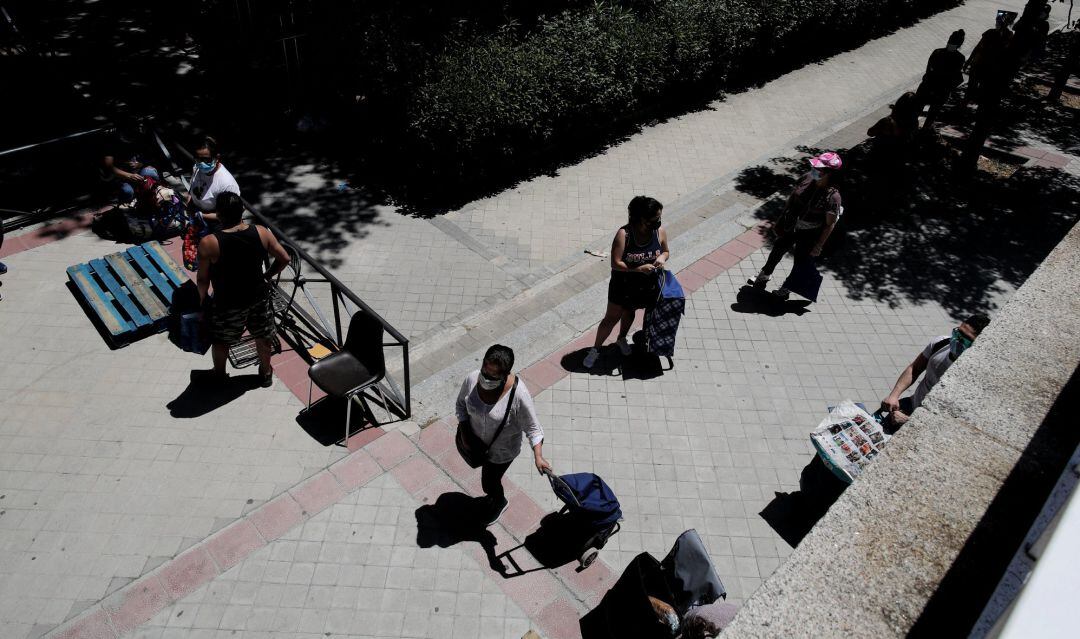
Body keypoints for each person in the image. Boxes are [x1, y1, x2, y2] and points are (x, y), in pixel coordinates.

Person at [194, 192, 290, 387]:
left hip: (227, 303)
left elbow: (203, 278)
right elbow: (285, 258)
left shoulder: (209, 243)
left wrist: (200, 302)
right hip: (258, 298)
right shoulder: (262, 232)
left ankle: (219, 375)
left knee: (221, 340)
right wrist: (268, 275)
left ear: (218, 215)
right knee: (263, 336)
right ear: (243, 211)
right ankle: (265, 373)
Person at [456, 345, 551, 525]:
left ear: (505, 374)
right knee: (488, 481)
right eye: (485, 370)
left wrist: (538, 456)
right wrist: (465, 433)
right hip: (477, 445)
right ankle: (492, 497)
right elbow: (460, 406)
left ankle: (499, 502)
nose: (486, 378)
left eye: (493, 376)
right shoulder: (471, 379)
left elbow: (533, 429)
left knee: (489, 482)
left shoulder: (518, 395)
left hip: (502, 453)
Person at [583, 196, 670, 368]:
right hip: (622, 286)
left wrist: (661, 257)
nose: (658, 222)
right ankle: (595, 349)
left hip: (644, 286)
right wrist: (637, 269)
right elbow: (615, 263)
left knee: (630, 313)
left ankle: (621, 338)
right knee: (611, 318)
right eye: (655, 219)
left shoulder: (659, 232)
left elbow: (666, 251)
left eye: (659, 218)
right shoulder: (624, 234)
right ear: (642, 219)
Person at [752, 152, 843, 300]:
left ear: (829, 173)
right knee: (777, 249)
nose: (814, 169)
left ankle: (787, 288)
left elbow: (829, 224)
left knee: (800, 261)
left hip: (810, 233)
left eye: (818, 168)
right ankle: (764, 275)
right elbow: (792, 197)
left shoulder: (833, 197)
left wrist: (819, 245)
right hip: (791, 225)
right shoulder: (808, 177)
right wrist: (781, 218)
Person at [880, 314, 990, 426]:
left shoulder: (974, 375)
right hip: (910, 405)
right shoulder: (940, 343)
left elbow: (959, 419)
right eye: (958, 332)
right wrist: (894, 395)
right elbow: (915, 368)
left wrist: (910, 422)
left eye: (965, 339)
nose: (957, 339)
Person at [914, 30, 967, 130]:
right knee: (932, 114)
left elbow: (928, 69)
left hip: (928, 85)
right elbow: (955, 74)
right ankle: (923, 132)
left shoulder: (937, 52)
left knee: (917, 109)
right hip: (942, 90)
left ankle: (910, 129)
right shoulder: (960, 58)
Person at [188, 136, 241, 224]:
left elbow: (230, 214)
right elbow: (192, 188)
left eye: (206, 160)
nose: (201, 163)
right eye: (198, 158)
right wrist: (189, 207)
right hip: (196, 214)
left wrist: (200, 215)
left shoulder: (227, 184)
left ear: (217, 157)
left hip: (216, 222)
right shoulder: (197, 168)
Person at [102, 130, 160, 204]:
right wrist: (129, 175)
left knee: (151, 173)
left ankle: (153, 195)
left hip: (139, 171)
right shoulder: (111, 143)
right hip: (122, 177)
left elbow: (152, 157)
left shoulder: (140, 137)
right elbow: (109, 167)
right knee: (127, 191)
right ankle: (130, 202)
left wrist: (141, 164)